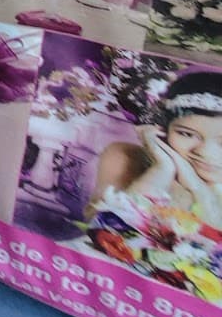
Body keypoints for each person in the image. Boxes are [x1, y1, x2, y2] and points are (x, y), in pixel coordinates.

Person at [93, 71, 222, 232]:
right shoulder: (123, 156)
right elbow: (107, 231)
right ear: (164, 129)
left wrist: (195, 185)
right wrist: (163, 169)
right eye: (187, 134)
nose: (205, 152)